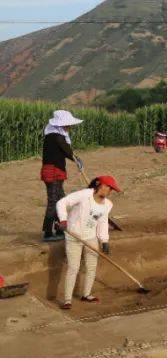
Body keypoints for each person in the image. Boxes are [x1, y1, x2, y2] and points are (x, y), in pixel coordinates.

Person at [55, 175, 121, 309]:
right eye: (109, 187)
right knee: (74, 267)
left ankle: (86, 294)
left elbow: (102, 222)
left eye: (112, 189)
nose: (110, 191)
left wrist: (104, 241)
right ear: (99, 185)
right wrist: (63, 220)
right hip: (74, 236)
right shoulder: (85, 195)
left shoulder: (108, 204)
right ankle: (67, 300)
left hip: (91, 237)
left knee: (91, 267)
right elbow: (61, 203)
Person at [41, 110, 83, 242]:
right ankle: (48, 233)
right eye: (67, 125)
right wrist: (76, 159)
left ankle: (60, 230)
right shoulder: (56, 137)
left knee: (60, 201)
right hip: (52, 171)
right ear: (61, 125)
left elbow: (66, 151)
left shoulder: (53, 135)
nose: (69, 127)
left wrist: (75, 158)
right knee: (54, 202)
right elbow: (67, 151)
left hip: (54, 170)